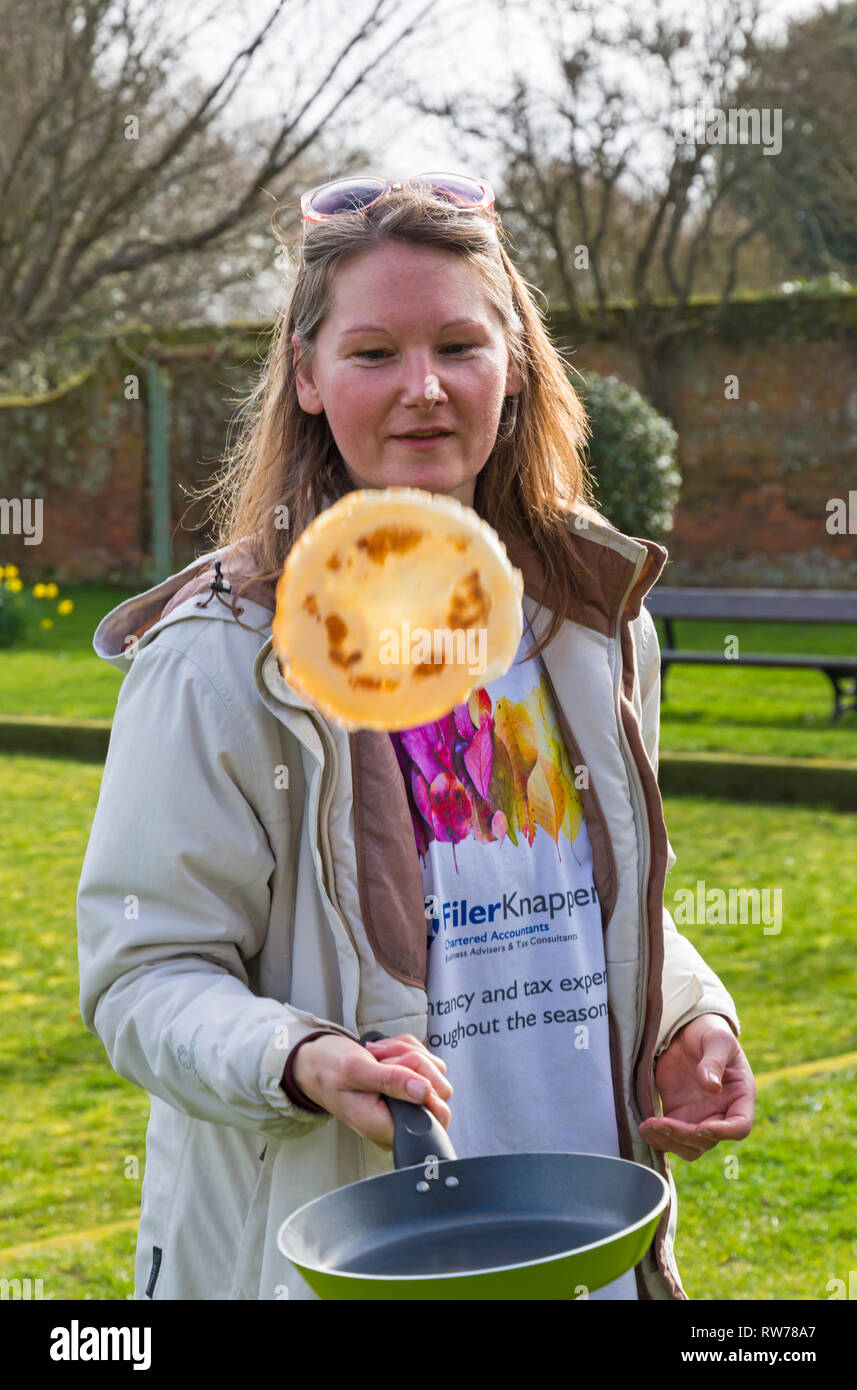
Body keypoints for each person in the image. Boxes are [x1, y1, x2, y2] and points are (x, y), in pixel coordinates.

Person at [77, 172, 756, 1302]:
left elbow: (587, 906)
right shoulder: (217, 657)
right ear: (304, 375)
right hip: (346, 1262)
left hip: (579, 1243)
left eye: (458, 343)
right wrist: (295, 1058)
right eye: (372, 352)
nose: (424, 390)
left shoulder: (598, 621)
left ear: (517, 361)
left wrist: (686, 1013)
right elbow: (143, 971)